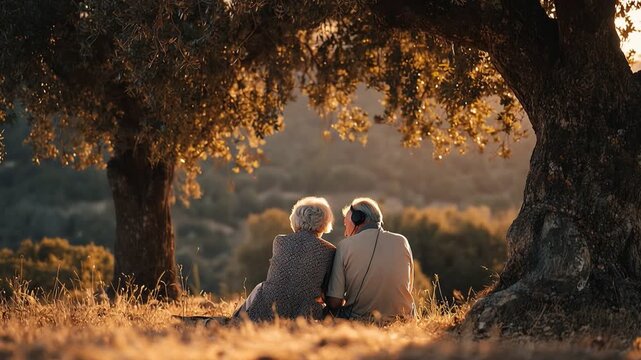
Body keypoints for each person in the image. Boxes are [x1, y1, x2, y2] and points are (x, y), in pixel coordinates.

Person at [233, 196, 336, 321]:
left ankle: (235, 319)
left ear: (295, 220)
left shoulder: (280, 241)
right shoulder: (329, 250)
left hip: (266, 311)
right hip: (304, 316)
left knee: (261, 287)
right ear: (324, 223)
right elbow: (326, 291)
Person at [326, 197, 415, 321]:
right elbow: (408, 286)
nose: (346, 232)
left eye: (346, 224)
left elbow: (335, 302)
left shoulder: (345, 246)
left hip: (361, 321)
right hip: (403, 320)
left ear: (358, 219)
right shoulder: (402, 241)